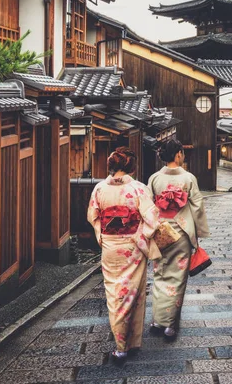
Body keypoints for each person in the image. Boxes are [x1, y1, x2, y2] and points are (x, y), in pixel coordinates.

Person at [87, 147, 160, 363]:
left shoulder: (99, 189)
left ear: (111, 166)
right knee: (134, 292)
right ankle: (125, 345)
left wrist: (102, 236)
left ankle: (127, 343)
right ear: (131, 167)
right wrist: (141, 234)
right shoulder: (139, 189)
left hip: (110, 246)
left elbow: (93, 216)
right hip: (133, 246)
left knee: (115, 294)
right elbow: (152, 219)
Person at [147, 139, 209, 339]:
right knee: (178, 279)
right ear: (178, 154)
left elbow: (149, 206)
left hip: (161, 232)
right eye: (182, 153)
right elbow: (197, 206)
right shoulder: (188, 178)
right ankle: (170, 325)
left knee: (160, 274)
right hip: (181, 231)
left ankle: (157, 320)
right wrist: (199, 233)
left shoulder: (155, 178)